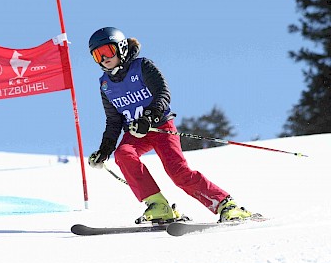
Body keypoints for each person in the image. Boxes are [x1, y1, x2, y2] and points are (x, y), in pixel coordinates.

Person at [87, 27, 253, 223]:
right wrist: (105, 149)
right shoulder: (105, 84)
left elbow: (162, 93)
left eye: (107, 51)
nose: (104, 58)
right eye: (97, 55)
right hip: (135, 133)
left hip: (160, 126)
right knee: (123, 154)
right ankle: (158, 205)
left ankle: (226, 205)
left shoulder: (142, 66)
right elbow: (114, 121)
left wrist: (148, 117)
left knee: (177, 172)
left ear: (121, 48)